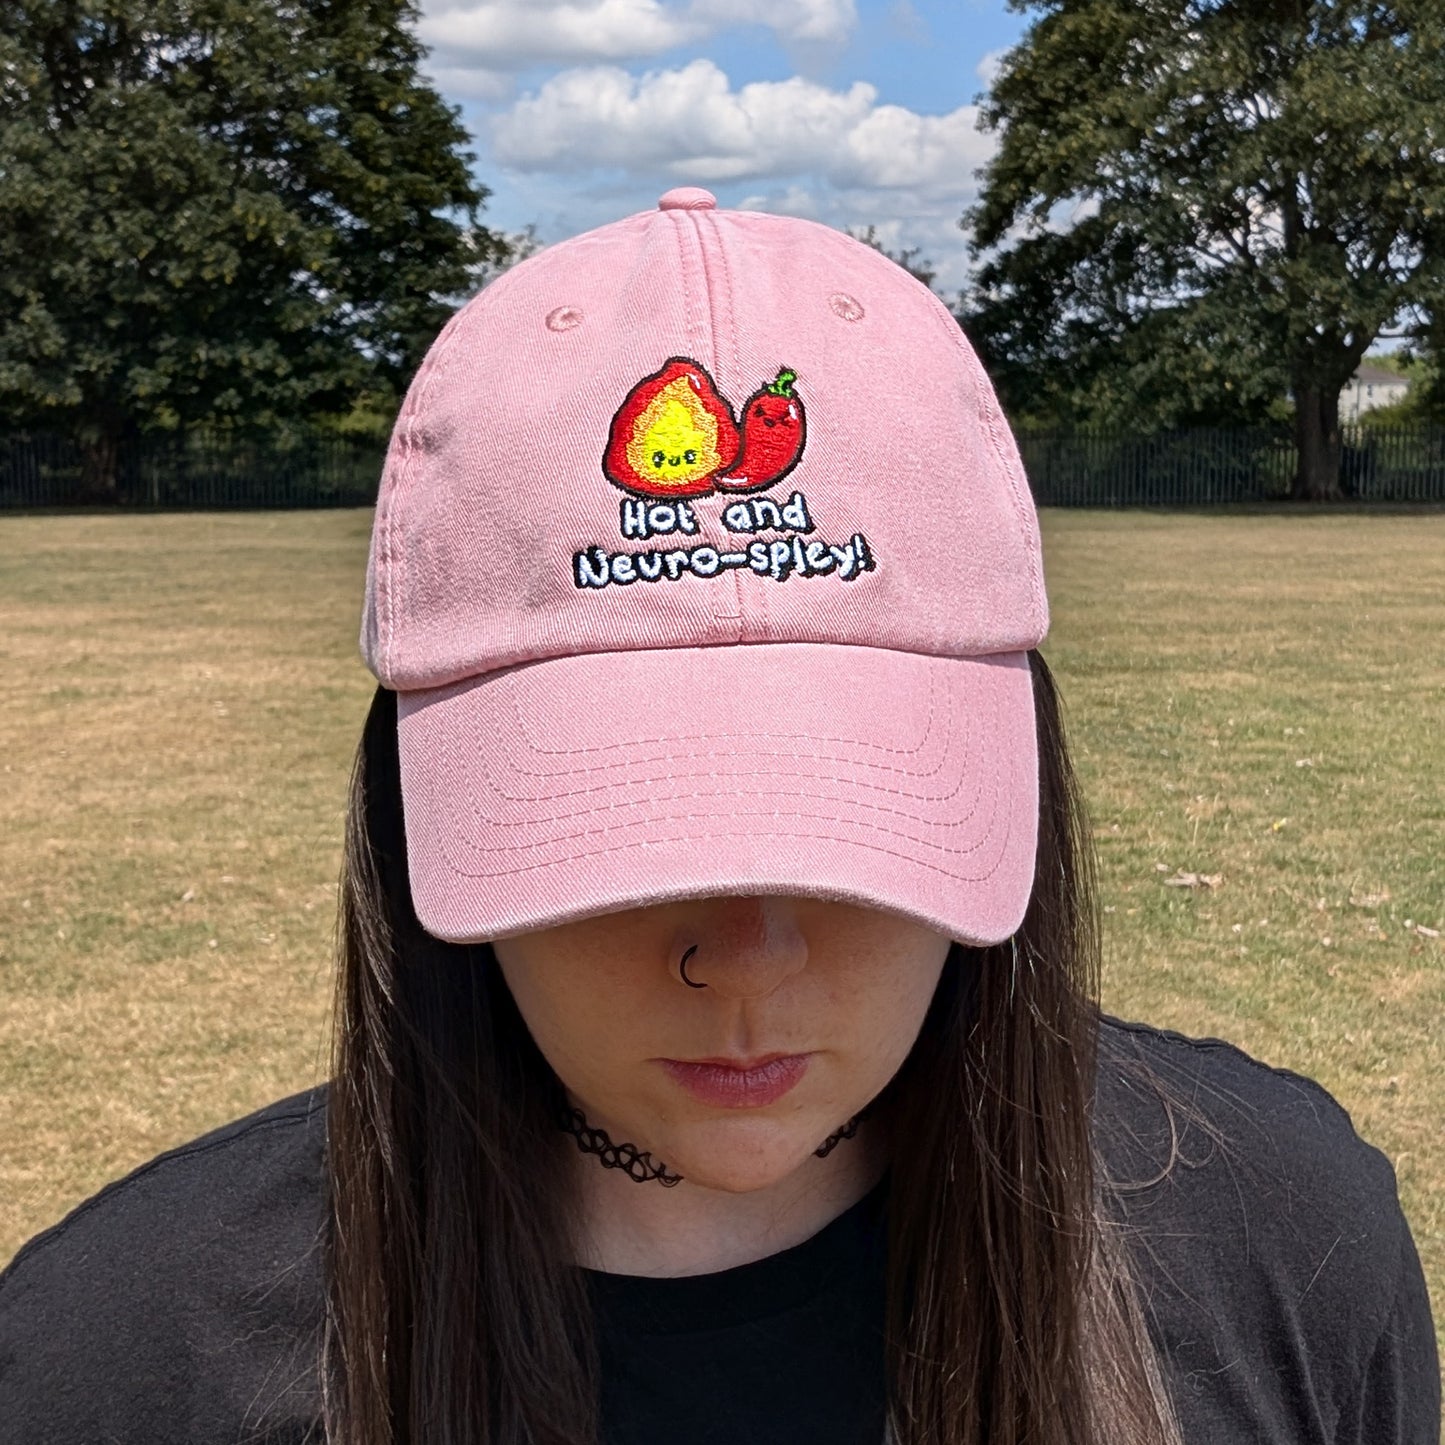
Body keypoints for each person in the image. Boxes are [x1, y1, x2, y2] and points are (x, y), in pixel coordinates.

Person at [0, 188, 1437, 1445]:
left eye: (851, 816)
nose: (745, 955)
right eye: (617, 834)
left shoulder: (1283, 1248)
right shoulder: (102, 1368)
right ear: (404, 802)